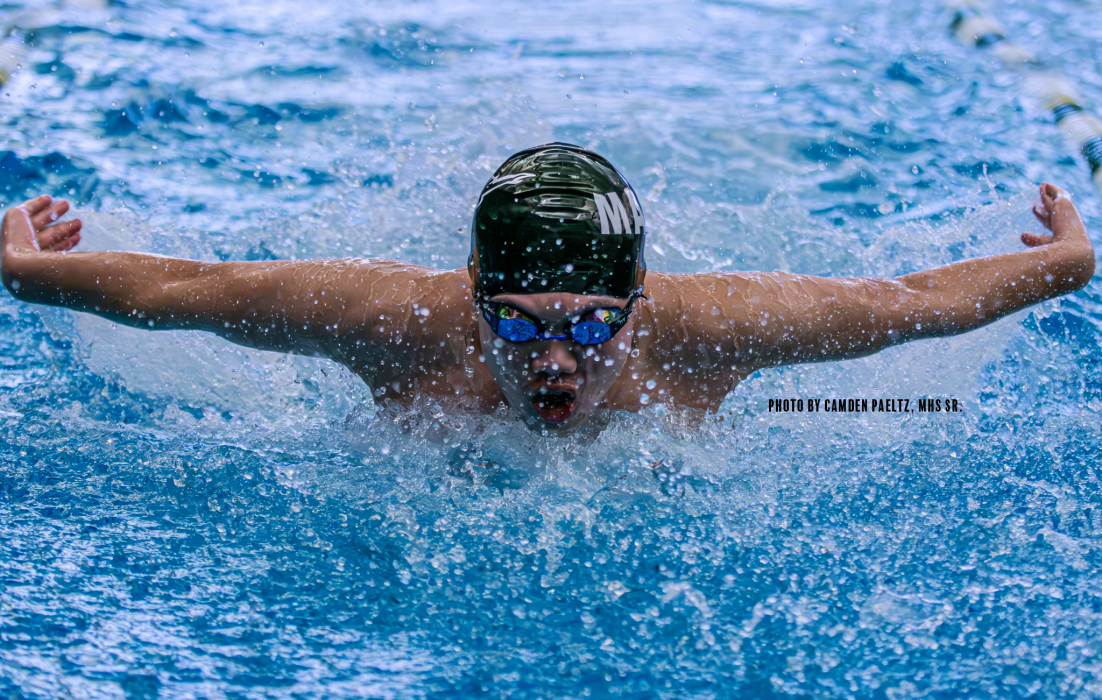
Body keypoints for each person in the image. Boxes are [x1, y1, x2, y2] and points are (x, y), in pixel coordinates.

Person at [0, 143, 1095, 433]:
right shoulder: (391, 321)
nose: (558, 358)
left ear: (640, 296)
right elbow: (199, 287)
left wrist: (1065, 263)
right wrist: (30, 275)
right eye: (517, 325)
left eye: (588, 324)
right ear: (471, 289)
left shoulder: (709, 332)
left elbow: (904, 303)